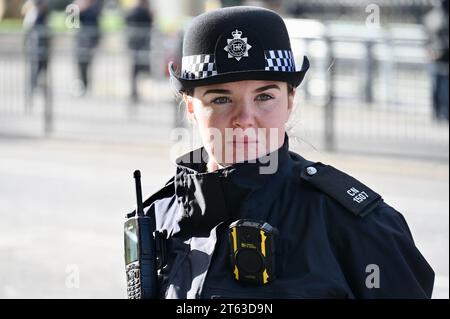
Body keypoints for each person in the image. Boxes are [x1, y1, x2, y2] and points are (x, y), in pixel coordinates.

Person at [131, 6, 434, 299]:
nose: (245, 118)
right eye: (221, 99)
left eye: (264, 96)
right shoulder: (157, 218)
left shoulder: (355, 227)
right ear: (191, 107)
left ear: (290, 101)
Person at [423, 0, 449, 122]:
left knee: (442, 86)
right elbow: (428, 38)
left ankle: (442, 113)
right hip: (436, 56)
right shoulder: (433, 17)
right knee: (437, 86)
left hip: (444, 57)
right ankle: (437, 113)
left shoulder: (435, 16)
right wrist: (431, 51)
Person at [125, 0, 153, 104]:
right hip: (138, 45)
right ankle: (135, 92)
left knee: (137, 71)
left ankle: (136, 92)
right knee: (137, 70)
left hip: (138, 45)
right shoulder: (142, 12)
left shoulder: (137, 11)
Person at [22, 0, 50, 105]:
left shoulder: (42, 11)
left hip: (42, 44)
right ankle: (32, 87)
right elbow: (28, 28)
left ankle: (38, 85)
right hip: (35, 44)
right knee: (35, 66)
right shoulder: (33, 12)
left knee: (42, 65)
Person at [74, 0, 103, 94]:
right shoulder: (79, 10)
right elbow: (71, 23)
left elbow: (97, 25)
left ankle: (85, 85)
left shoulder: (94, 10)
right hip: (81, 42)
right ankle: (82, 85)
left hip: (89, 42)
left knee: (87, 64)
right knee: (81, 64)